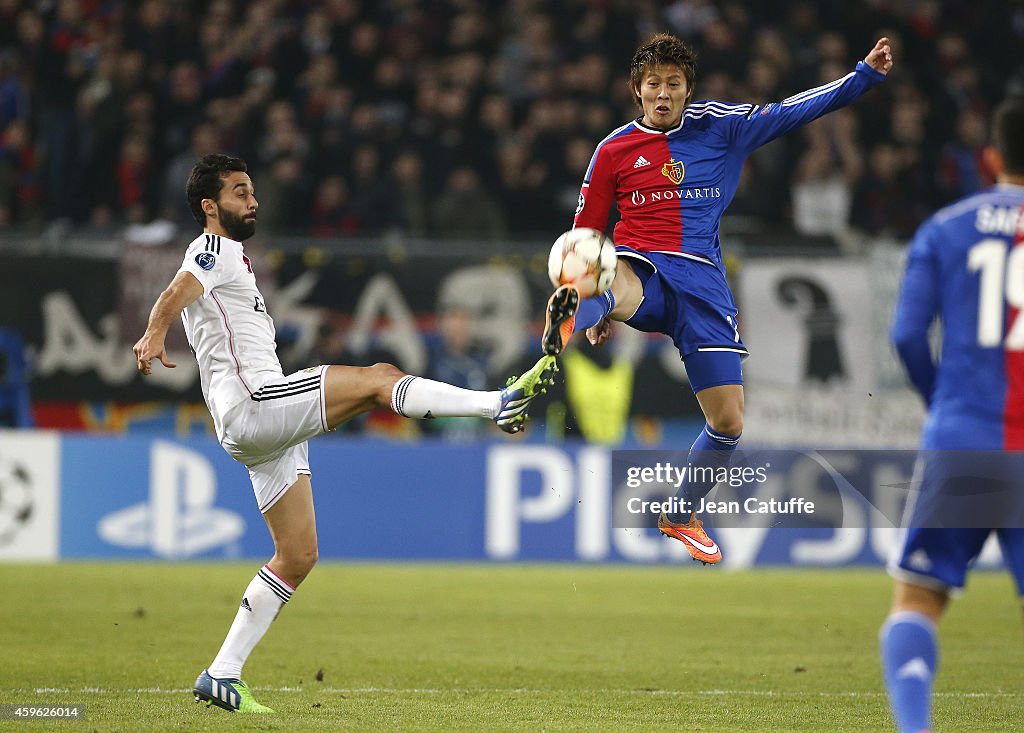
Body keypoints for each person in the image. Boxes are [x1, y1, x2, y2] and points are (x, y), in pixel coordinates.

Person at [132, 154, 555, 713]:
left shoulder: (234, 258)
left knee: (298, 554)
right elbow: (181, 286)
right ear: (210, 207)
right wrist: (153, 332)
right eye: (239, 192)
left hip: (259, 428)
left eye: (252, 190)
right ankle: (495, 404)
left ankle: (221, 673)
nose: (252, 200)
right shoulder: (213, 249)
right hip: (255, 407)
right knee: (380, 379)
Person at [539, 32, 893, 563]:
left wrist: (862, 76)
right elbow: (587, 235)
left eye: (673, 84)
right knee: (609, 271)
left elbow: (794, 111)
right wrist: (589, 297)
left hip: (704, 287)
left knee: (728, 421)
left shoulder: (723, 127)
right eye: (653, 84)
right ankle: (574, 314)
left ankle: (680, 513)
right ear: (636, 91)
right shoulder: (613, 150)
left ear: (688, 90)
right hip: (644, 268)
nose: (663, 93)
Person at [881, 97, 1024, 733]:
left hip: (963, 435)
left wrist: (944, 400)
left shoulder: (946, 227)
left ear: (991, 158)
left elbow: (909, 335)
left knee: (918, 598)